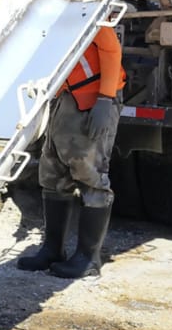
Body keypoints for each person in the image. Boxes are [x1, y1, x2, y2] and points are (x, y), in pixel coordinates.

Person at [15, 26, 125, 279]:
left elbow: (110, 48)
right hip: (65, 97)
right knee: (53, 173)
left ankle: (88, 259)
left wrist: (105, 99)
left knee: (91, 176)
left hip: (93, 99)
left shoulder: (92, 5)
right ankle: (52, 250)